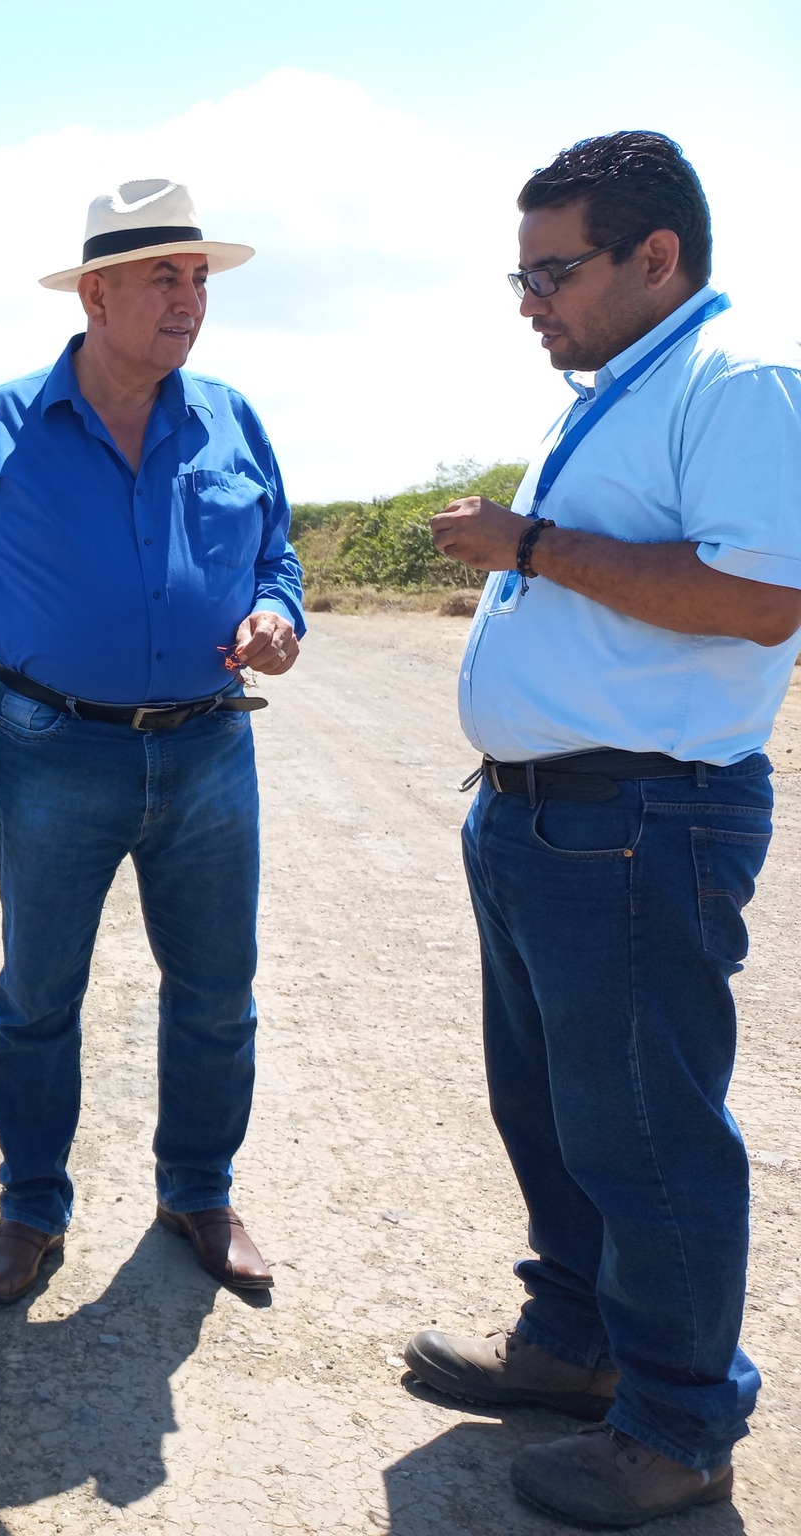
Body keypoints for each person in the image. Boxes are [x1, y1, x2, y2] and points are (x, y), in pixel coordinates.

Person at [407, 132, 801, 1528]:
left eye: (552, 272)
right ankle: (575, 1346)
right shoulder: (619, 387)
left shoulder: (734, 381)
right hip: (547, 817)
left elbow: (762, 597)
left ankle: (679, 1426)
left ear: (656, 256)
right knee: (554, 1112)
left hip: (639, 817)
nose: (530, 302)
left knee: (643, 1130)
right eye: (519, 277)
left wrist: (527, 546)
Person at [0, 179, 303, 1304]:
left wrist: (277, 614)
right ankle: (31, 1205)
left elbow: (275, 557)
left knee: (216, 991)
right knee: (37, 995)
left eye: (199, 279)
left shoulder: (230, 418)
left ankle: (199, 1191)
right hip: (52, 751)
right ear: (94, 294)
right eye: (162, 277)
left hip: (209, 751)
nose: (189, 300)